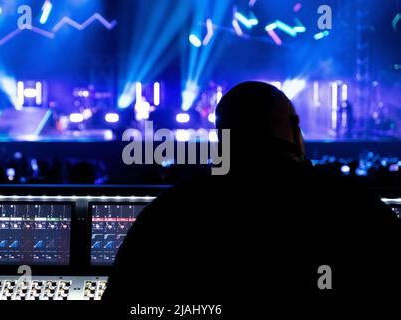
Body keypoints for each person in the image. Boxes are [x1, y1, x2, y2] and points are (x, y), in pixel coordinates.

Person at [102, 82, 401, 315]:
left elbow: (125, 305)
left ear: (221, 136)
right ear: (296, 129)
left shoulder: (169, 211)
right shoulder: (355, 204)